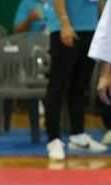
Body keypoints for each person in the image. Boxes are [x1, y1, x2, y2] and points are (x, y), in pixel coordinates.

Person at [43, 0, 106, 160]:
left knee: (79, 87)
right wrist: (64, 24)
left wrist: (102, 26)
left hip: (90, 29)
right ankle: (53, 140)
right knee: (57, 86)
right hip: (66, 29)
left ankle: (78, 135)